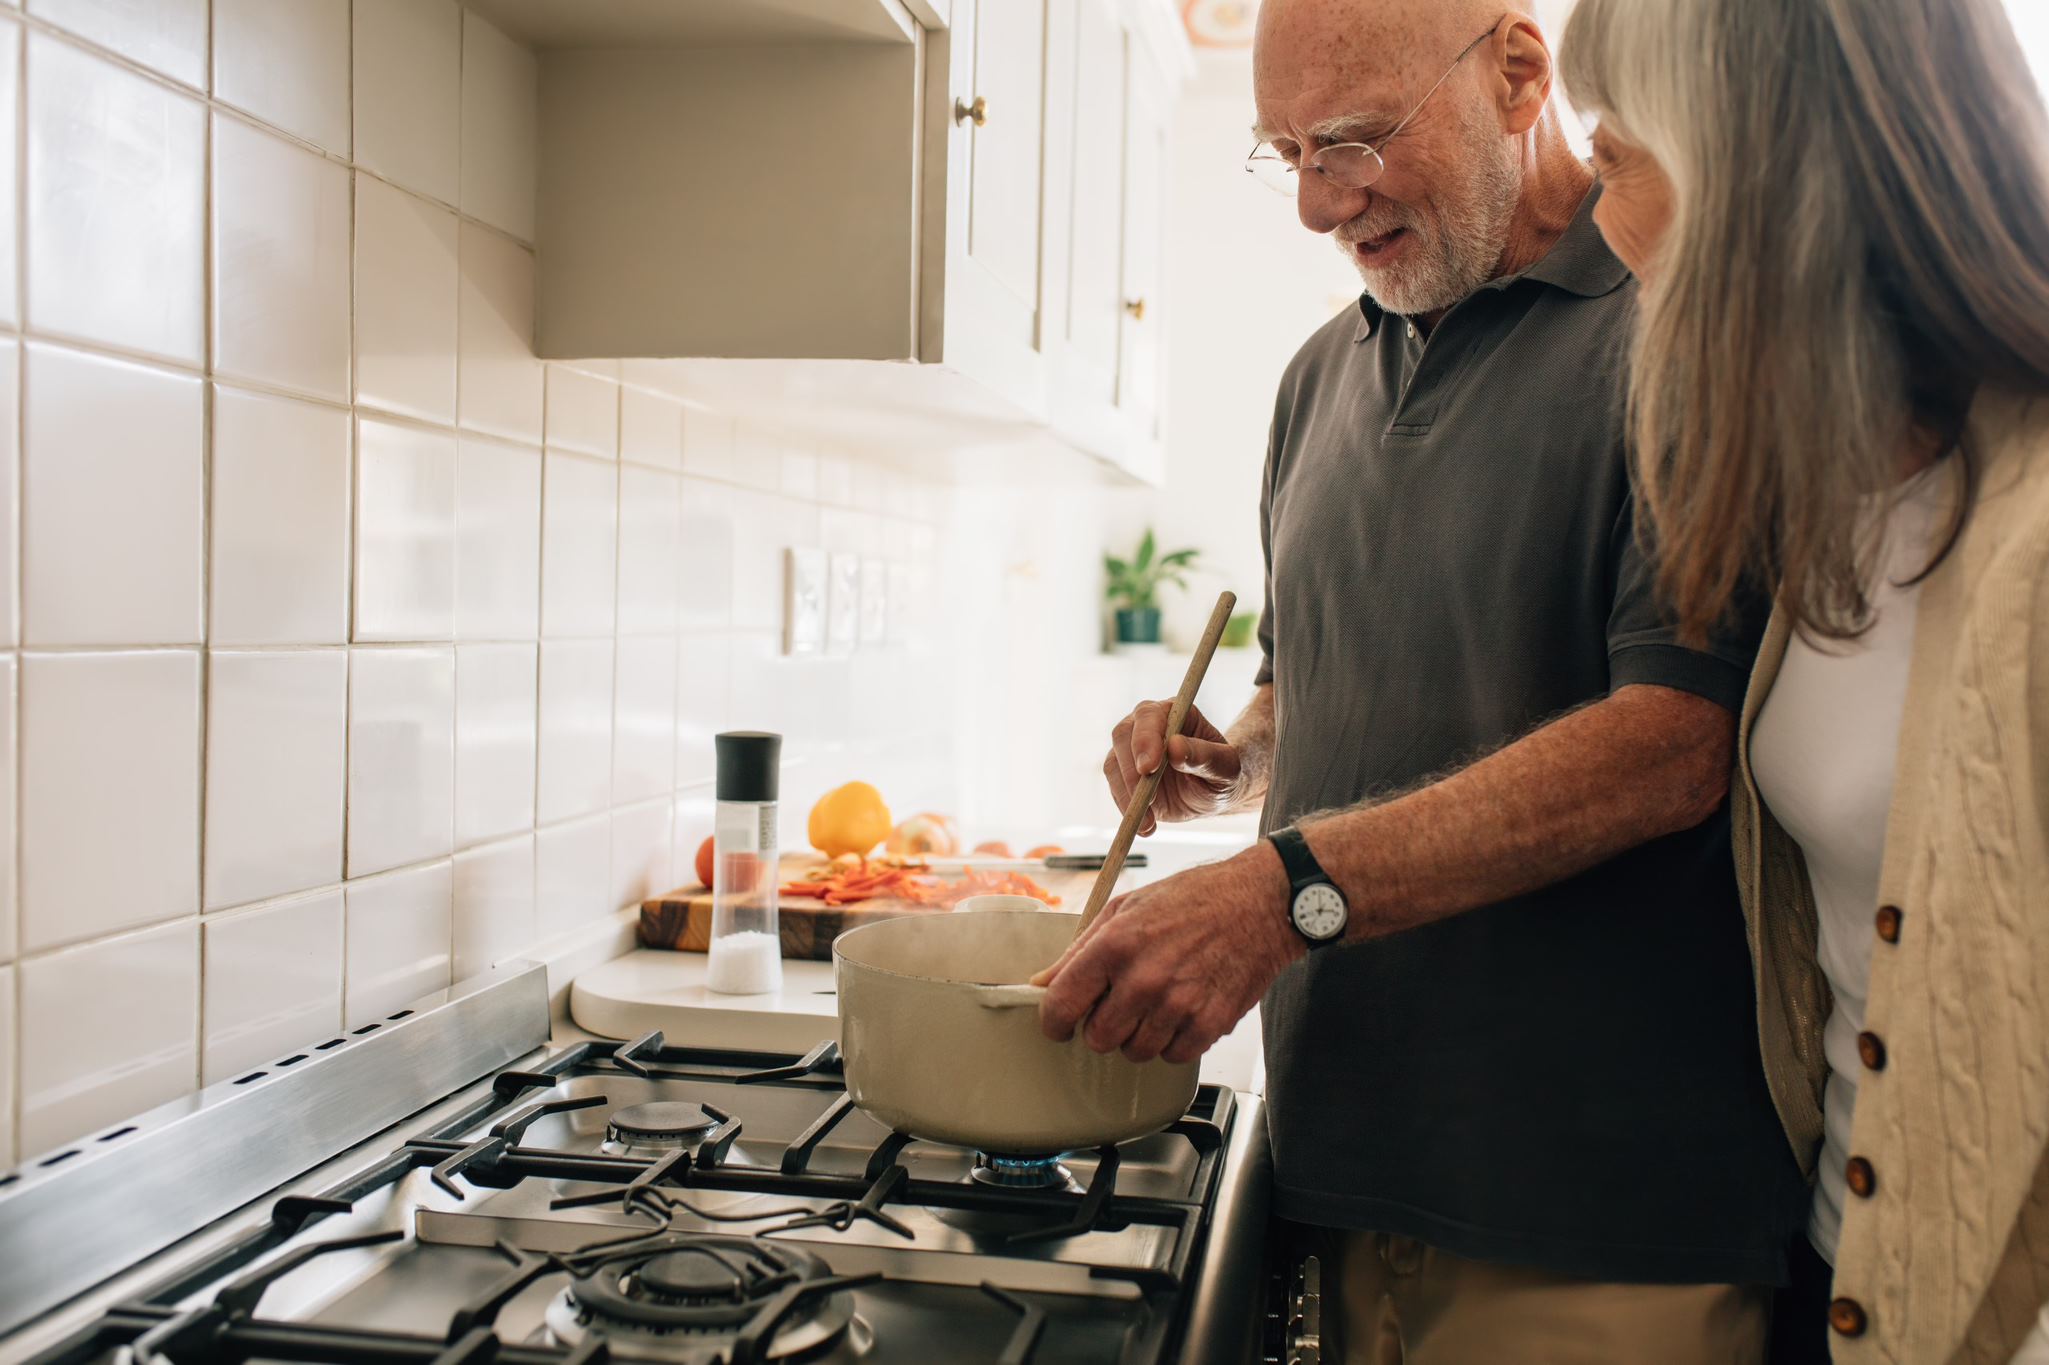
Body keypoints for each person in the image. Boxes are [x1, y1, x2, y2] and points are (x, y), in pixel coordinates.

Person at [1033, 0, 1805, 1357]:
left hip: (1595, 1223)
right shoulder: (1312, 381)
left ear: (1517, 74)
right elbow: (1302, 692)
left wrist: (1281, 893)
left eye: (1352, 138)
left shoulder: (1677, 330)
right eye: (1285, 153)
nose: (1318, 204)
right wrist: (1233, 755)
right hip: (1328, 1167)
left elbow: (1672, 745)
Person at [1556, 0, 2049, 1360]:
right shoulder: (1829, 506)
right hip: (1836, 1266)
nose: (1601, 227)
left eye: (1613, 160)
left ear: (1753, 181)